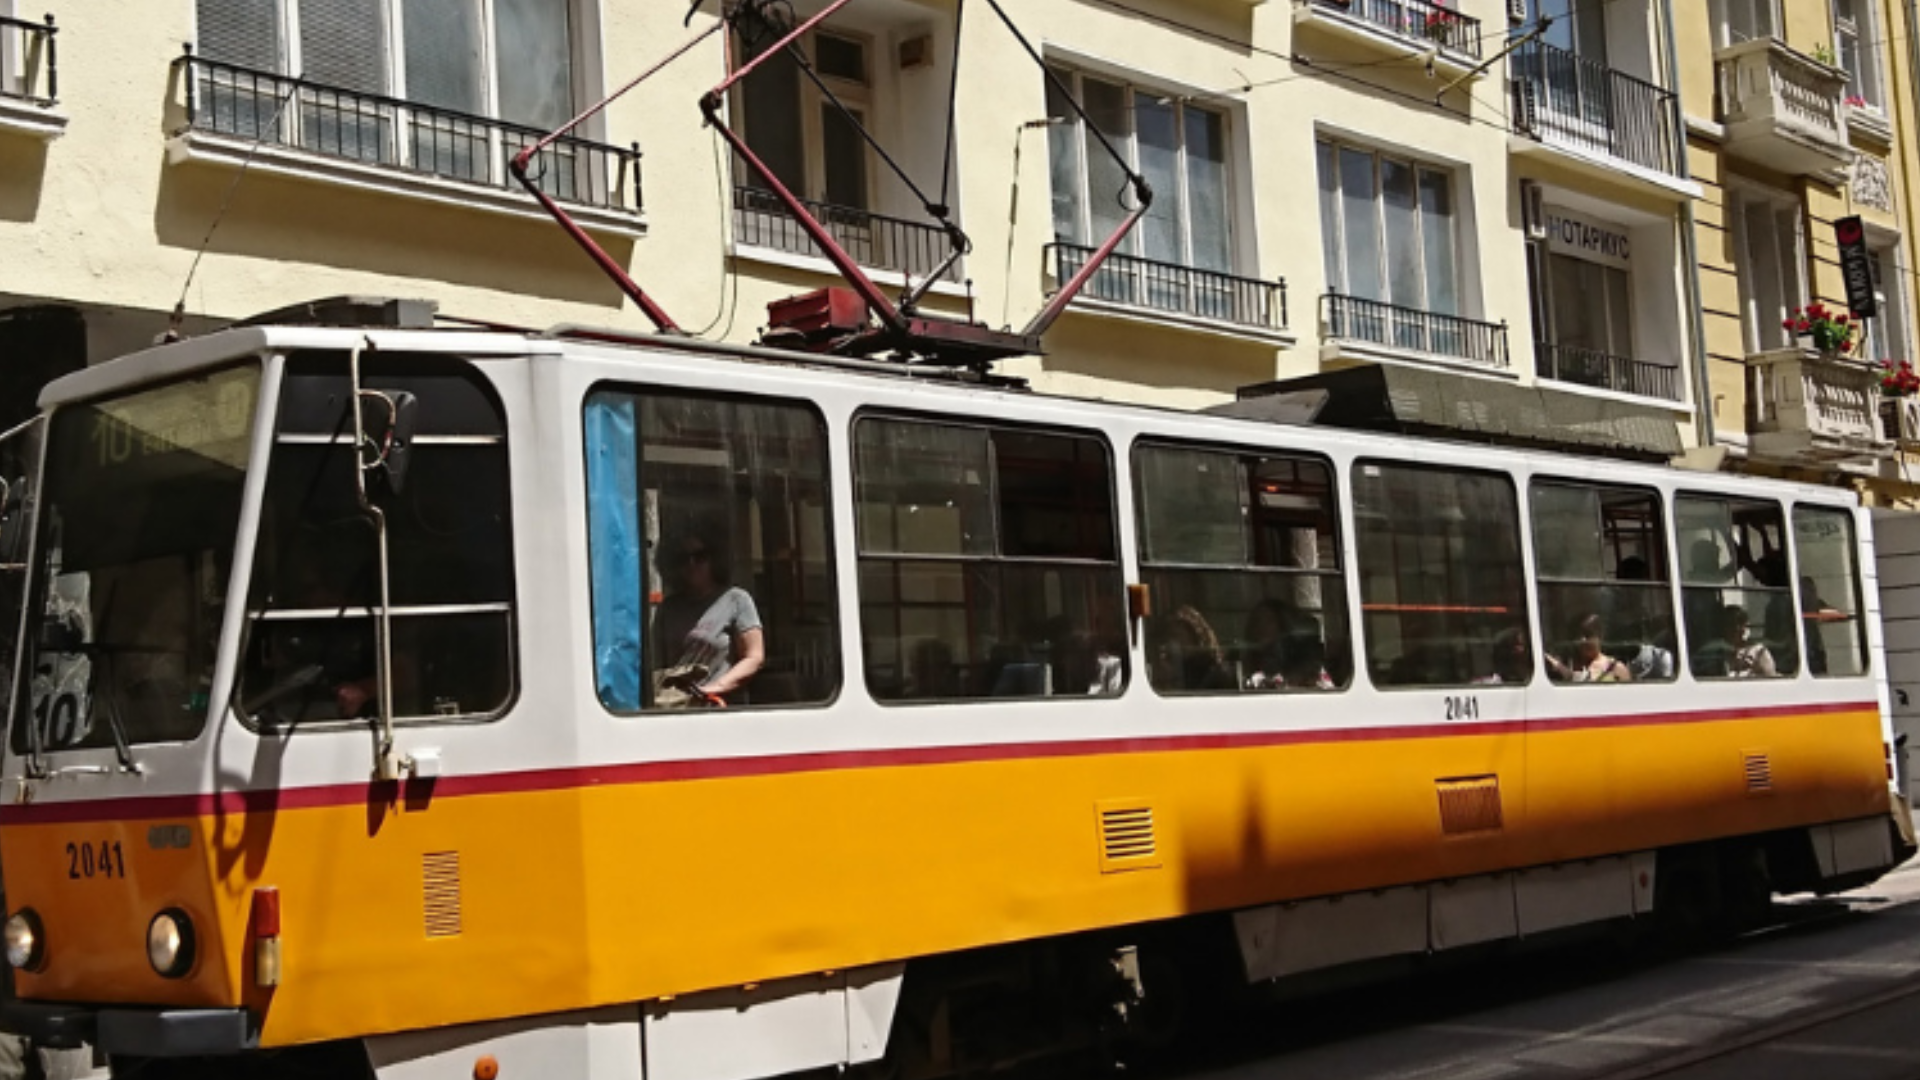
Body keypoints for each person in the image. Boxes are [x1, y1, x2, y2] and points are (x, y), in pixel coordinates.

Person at [655, 534, 764, 705]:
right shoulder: (669, 607)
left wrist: (716, 687)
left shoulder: (736, 600)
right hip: (676, 706)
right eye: (684, 559)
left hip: (720, 707)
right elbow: (656, 663)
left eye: (700, 557)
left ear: (716, 560)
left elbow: (754, 657)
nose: (692, 565)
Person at [1149, 605, 1234, 692]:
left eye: (1177, 636)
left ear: (1195, 636)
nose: (1173, 644)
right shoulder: (1171, 668)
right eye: (1169, 637)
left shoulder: (1214, 673)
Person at [1546, 613, 1631, 683]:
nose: (1582, 640)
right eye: (1578, 636)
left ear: (1600, 635)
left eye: (1588, 635)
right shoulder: (1566, 664)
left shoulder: (1616, 669)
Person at [1720, 604, 1777, 679]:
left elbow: (1771, 679)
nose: (1737, 628)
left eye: (1740, 623)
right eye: (1731, 624)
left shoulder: (1759, 652)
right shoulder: (1717, 651)